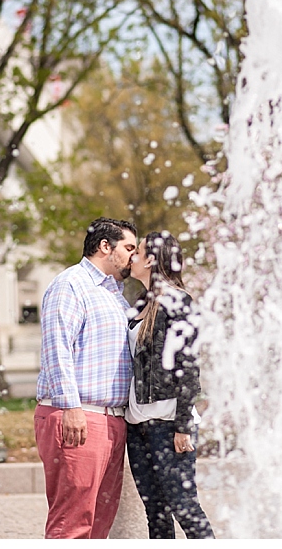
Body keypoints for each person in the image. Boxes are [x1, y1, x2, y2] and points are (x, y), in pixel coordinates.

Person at [34, 217, 138, 539]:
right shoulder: (70, 284)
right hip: (78, 416)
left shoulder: (115, 295)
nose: (133, 256)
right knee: (72, 524)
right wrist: (71, 407)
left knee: (99, 525)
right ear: (105, 246)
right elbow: (57, 348)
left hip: (112, 421)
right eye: (129, 248)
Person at [125, 231, 215, 539]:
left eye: (137, 252)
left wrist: (183, 426)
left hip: (168, 425)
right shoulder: (142, 302)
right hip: (138, 426)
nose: (132, 257)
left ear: (151, 259)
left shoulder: (178, 302)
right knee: (156, 513)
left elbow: (189, 366)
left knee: (184, 507)